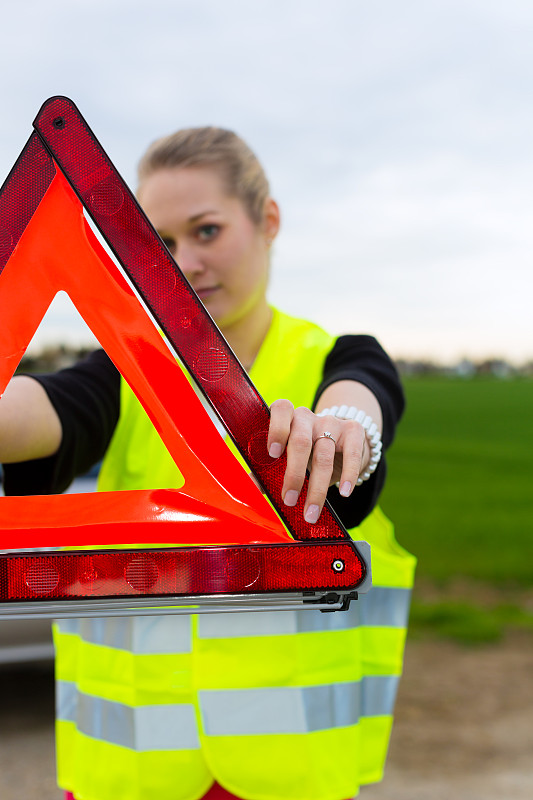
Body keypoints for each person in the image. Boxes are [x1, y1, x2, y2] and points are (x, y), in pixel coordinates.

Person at [0, 127, 416, 800]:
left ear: (267, 221)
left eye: (206, 230)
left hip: (285, 776)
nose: (184, 264)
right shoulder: (124, 372)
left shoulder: (335, 360)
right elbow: (43, 406)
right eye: (159, 245)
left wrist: (341, 434)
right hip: (129, 775)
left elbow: (360, 408)